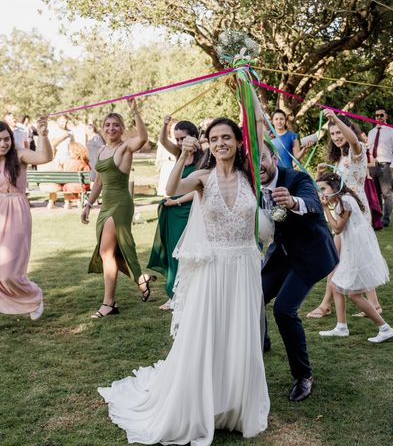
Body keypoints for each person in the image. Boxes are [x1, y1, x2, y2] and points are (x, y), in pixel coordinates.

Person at [98, 117, 270, 444]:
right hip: (213, 269)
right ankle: (201, 402)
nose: (221, 143)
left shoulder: (251, 177)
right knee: (207, 334)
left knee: (240, 334)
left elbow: (258, 126)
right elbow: (172, 189)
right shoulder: (203, 178)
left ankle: (234, 405)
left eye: (227, 137)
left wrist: (246, 84)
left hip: (244, 267)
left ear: (237, 141)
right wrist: (181, 156)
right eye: (215, 138)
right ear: (209, 143)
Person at [260, 142, 339, 402]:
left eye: (262, 157)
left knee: (283, 309)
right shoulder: (251, 184)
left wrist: (292, 201)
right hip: (280, 255)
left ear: (273, 156)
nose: (258, 165)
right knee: (253, 296)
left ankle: (303, 376)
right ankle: (263, 340)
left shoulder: (296, 177)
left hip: (308, 256)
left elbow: (311, 201)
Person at [80, 99, 155, 319]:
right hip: (105, 205)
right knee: (111, 252)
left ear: (122, 129)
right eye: (107, 125)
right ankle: (140, 278)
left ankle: (109, 303)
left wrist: (135, 112)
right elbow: (99, 183)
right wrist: (88, 204)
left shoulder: (125, 148)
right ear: (102, 128)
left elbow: (142, 138)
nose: (111, 128)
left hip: (121, 204)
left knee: (106, 252)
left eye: (116, 125)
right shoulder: (102, 150)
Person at [306, 110, 383, 320]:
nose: (337, 137)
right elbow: (330, 187)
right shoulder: (340, 158)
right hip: (343, 209)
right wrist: (321, 173)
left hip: (355, 211)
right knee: (351, 256)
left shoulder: (356, 152)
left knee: (335, 257)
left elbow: (354, 140)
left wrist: (336, 120)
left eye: (339, 133)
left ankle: (325, 305)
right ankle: (373, 304)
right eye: (332, 134)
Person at [316, 172, 393, 343]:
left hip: (356, 253)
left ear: (334, 187)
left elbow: (337, 229)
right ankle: (341, 327)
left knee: (353, 294)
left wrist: (325, 209)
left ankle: (384, 328)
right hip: (353, 250)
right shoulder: (343, 200)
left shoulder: (344, 203)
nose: (321, 193)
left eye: (323, 189)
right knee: (336, 286)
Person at [147, 116, 202, 310]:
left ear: (195, 137)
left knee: (186, 254)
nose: (179, 142)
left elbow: (198, 190)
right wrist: (164, 124)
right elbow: (162, 142)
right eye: (177, 139)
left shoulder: (203, 159)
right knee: (172, 252)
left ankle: (187, 294)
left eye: (183, 138)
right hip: (172, 210)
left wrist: (177, 201)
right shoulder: (179, 153)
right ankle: (174, 294)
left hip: (189, 210)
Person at [0, 118, 53, 320]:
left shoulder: (19, 155)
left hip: (16, 213)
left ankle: (34, 296)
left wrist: (43, 134)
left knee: (9, 273)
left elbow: (45, 156)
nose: (3, 144)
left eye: (6, 139)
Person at [367, 107, 393, 227]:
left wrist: (392, 166)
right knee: (375, 194)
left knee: (386, 194)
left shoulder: (392, 132)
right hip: (373, 167)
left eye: (381, 115)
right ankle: (378, 219)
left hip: (385, 166)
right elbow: (369, 150)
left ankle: (386, 219)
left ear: (386, 116)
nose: (379, 117)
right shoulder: (371, 133)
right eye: (377, 115)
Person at [61, 142, 91, 209]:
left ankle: (67, 203)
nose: (69, 151)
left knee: (67, 185)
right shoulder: (83, 162)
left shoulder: (68, 162)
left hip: (67, 187)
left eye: (70, 150)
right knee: (79, 184)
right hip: (80, 186)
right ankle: (78, 201)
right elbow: (88, 173)